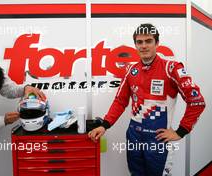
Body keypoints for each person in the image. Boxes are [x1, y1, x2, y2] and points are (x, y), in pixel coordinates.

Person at [88, 23, 205, 176]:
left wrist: (181, 131)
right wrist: (104, 125)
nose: (144, 46)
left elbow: (197, 101)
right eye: (139, 42)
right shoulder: (131, 70)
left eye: (148, 41)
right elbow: (120, 101)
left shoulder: (172, 68)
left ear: (157, 43)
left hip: (158, 140)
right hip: (134, 136)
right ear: (135, 45)